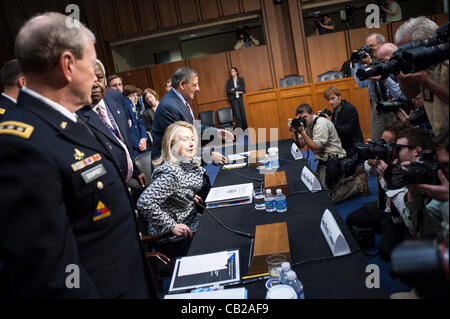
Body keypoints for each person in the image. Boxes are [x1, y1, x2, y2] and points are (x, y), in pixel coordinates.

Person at [0, 12, 155, 298]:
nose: (97, 78)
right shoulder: (20, 145)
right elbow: (49, 274)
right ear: (68, 65)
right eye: (92, 65)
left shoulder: (73, 123)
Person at [77, 60, 148, 204]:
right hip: (106, 188)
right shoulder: (76, 114)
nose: (95, 83)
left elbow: (123, 138)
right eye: (88, 79)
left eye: (99, 78)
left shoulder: (115, 96)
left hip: (130, 176)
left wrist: (134, 170)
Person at [137, 121, 208, 260]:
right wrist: (171, 226)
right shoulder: (171, 174)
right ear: (171, 145)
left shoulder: (184, 163)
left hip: (190, 219)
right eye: (184, 140)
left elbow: (179, 187)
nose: (192, 143)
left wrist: (188, 195)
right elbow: (144, 202)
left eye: (192, 139)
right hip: (172, 238)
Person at [289, 104, 369, 203]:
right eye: (300, 118)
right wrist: (294, 133)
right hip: (323, 160)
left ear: (312, 114)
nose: (303, 120)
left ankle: (359, 182)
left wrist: (303, 133)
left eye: (305, 117)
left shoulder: (320, 124)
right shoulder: (306, 124)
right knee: (313, 189)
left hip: (334, 160)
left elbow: (316, 149)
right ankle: (343, 179)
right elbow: (301, 144)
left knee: (328, 197)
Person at [151, 66, 234, 164]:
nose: (198, 89)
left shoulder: (181, 100)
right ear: (182, 85)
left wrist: (215, 132)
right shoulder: (169, 106)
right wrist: (208, 155)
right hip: (171, 168)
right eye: (194, 85)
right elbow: (177, 144)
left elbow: (193, 127)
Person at [395, 17, 449, 138]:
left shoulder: (445, 63)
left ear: (426, 42)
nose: (406, 55)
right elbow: (411, 94)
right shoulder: (423, 66)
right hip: (441, 138)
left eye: (409, 50)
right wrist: (401, 75)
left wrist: (428, 83)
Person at [353, 36, 404, 140]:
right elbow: (361, 84)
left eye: (371, 46)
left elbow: (398, 92)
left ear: (382, 44)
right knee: (376, 139)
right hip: (378, 105)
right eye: (367, 47)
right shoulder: (372, 63)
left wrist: (372, 65)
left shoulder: (390, 59)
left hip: (395, 103)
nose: (369, 49)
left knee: (399, 137)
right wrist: (359, 63)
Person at [322, 86, 363, 157]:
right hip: (343, 146)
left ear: (339, 97)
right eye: (328, 100)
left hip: (353, 148)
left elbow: (347, 130)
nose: (330, 102)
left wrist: (331, 123)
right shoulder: (336, 109)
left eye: (332, 98)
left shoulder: (349, 109)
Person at [123, 84, 149, 158]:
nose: (136, 98)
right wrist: (138, 144)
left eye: (136, 95)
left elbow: (140, 123)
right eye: (132, 96)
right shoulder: (127, 105)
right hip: (134, 147)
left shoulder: (134, 108)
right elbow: (128, 128)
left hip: (142, 143)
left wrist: (144, 138)